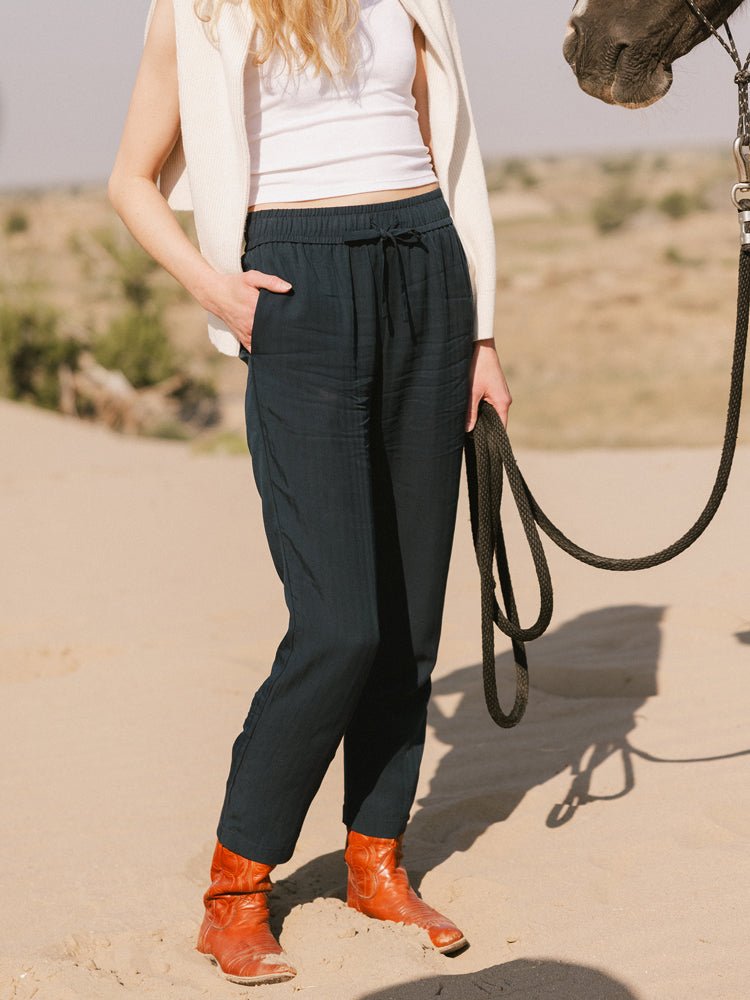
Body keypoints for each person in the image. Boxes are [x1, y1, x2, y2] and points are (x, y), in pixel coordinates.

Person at [109, 0, 512, 987]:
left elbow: (449, 155)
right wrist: (215, 287)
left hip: (426, 264)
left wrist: (482, 332)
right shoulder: (199, 7)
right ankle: (236, 890)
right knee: (339, 624)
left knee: (412, 612)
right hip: (297, 282)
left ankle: (376, 861)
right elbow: (130, 182)